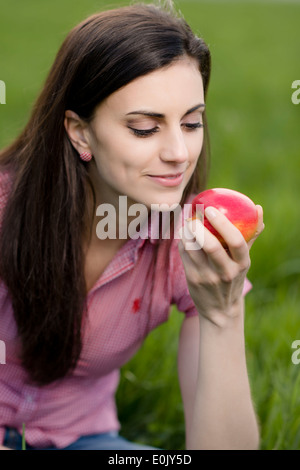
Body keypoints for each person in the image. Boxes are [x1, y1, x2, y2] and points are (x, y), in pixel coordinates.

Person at [0, 1, 264, 450]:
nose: (180, 153)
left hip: (83, 438)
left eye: (192, 123)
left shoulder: (191, 243)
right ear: (80, 132)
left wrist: (223, 314)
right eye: (145, 128)